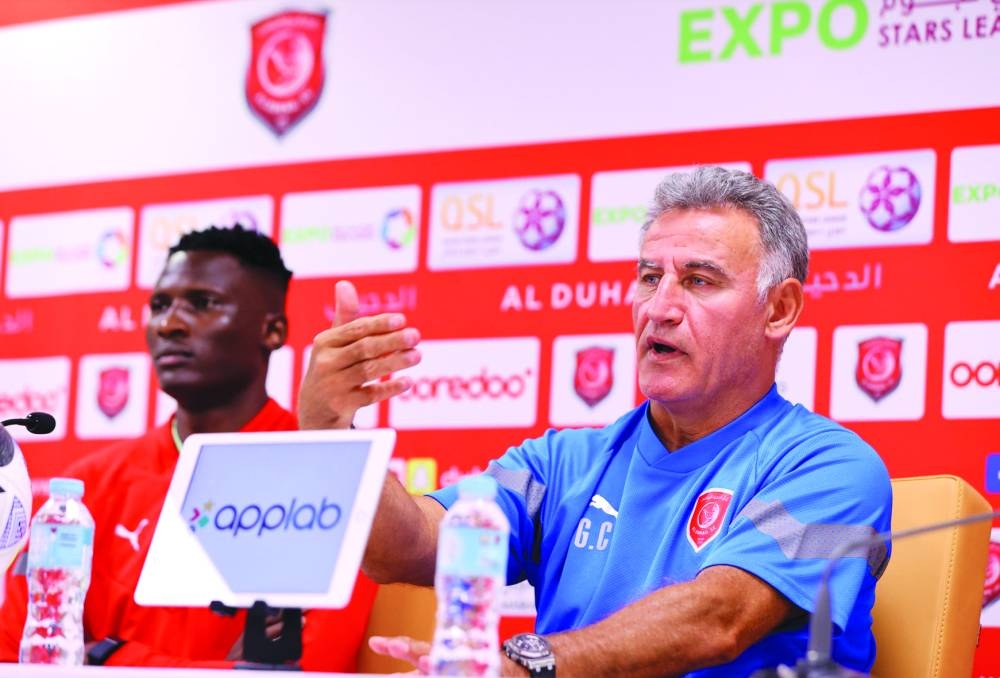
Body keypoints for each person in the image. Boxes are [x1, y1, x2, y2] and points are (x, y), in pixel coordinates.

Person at [298, 166, 893, 677]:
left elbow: (720, 618)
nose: (659, 308)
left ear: (779, 310)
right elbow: (411, 548)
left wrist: (523, 664)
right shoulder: (562, 464)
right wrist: (330, 432)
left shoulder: (833, 468)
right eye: (649, 277)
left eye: (699, 280)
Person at [0, 225, 379, 670]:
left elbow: (308, 669)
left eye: (203, 303)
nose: (170, 324)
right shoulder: (82, 492)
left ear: (272, 330)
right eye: (160, 305)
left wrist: (107, 656)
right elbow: (21, 657)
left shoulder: (331, 475)